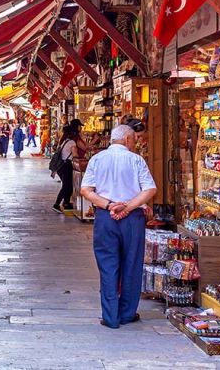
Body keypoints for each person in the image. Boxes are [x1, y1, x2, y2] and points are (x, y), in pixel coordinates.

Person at [80, 125, 156, 329]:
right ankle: (127, 312)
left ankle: (110, 316)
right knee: (132, 264)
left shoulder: (97, 159)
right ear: (128, 139)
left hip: (106, 218)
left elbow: (86, 190)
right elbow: (150, 188)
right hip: (132, 219)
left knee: (108, 265)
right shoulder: (135, 159)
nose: (135, 143)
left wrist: (109, 205)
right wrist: (129, 206)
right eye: (134, 139)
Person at [52, 125, 78, 213]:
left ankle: (66, 203)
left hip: (61, 166)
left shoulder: (64, 141)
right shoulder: (72, 143)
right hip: (67, 165)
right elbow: (75, 155)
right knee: (66, 186)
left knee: (68, 185)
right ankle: (56, 204)